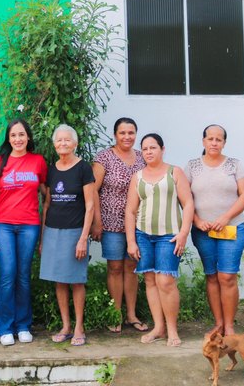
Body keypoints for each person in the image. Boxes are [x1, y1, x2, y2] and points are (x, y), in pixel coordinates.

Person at [125, 133, 193, 348]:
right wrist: (131, 241)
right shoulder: (138, 177)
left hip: (169, 235)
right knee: (151, 281)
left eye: (153, 147)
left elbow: (188, 204)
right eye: (144, 149)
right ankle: (158, 327)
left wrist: (183, 233)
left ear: (162, 149)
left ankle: (172, 330)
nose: (148, 152)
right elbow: (130, 211)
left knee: (166, 281)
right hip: (143, 235)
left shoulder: (175, 172)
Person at [185, 124, 244, 337]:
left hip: (231, 228)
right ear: (203, 141)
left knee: (227, 276)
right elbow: (184, 199)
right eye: (210, 139)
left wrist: (225, 218)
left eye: (219, 139)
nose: (214, 143)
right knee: (212, 275)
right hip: (203, 231)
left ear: (224, 143)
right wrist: (196, 220)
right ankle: (219, 323)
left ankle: (230, 326)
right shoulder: (192, 166)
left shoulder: (235, 165)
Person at [0, 119, 47, 346]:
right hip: (3, 225)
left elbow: (45, 194)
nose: (18, 139)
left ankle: (23, 325)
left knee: (23, 276)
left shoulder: (38, 162)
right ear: (8, 139)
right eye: (13, 136)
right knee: (7, 274)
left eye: (22, 135)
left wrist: (45, 227)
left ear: (28, 137)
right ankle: (4, 327)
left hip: (29, 225)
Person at [40, 124, 95, 347]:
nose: (63, 143)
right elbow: (47, 204)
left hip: (75, 232)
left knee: (76, 280)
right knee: (59, 281)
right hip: (53, 231)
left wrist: (83, 238)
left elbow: (90, 205)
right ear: (54, 145)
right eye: (59, 140)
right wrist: (43, 238)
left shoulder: (83, 168)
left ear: (75, 143)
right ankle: (66, 326)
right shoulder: (51, 170)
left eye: (67, 140)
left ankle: (79, 326)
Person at [91, 118, 147, 333]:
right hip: (110, 222)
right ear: (115, 135)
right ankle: (115, 313)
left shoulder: (142, 158)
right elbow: (93, 190)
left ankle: (131, 315)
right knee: (115, 267)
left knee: (132, 267)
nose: (127, 137)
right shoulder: (104, 158)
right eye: (122, 133)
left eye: (131, 132)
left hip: (137, 223)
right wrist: (97, 222)